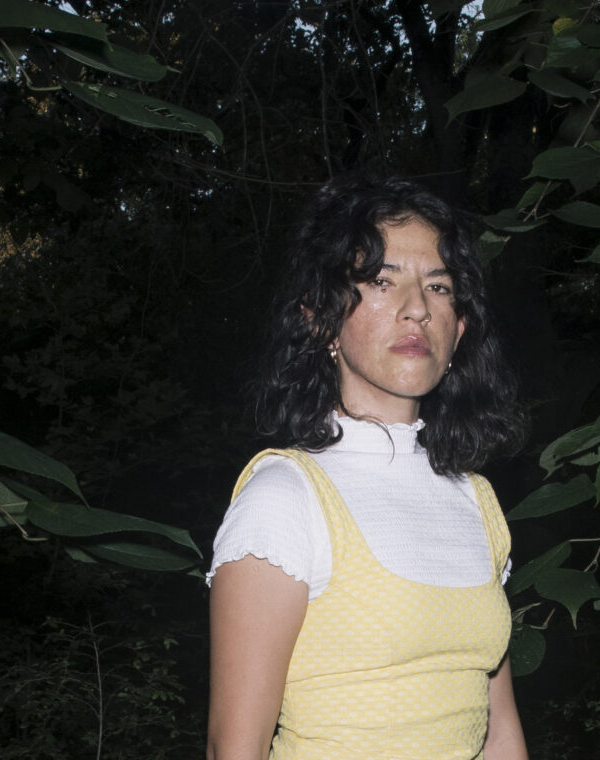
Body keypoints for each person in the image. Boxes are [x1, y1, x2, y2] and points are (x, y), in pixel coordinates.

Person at [206, 174, 529, 760]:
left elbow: (499, 732)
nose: (417, 309)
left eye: (438, 286)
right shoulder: (285, 497)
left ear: (458, 329)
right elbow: (233, 749)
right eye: (382, 280)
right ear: (322, 320)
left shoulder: (476, 500)